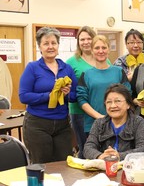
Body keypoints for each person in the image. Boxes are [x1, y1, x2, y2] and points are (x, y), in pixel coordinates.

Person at [19, 27, 77, 164]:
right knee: (42, 166)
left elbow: (75, 96)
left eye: (53, 43)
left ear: (58, 45)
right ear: (39, 46)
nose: (50, 46)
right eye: (46, 43)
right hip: (37, 125)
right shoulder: (32, 68)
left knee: (64, 164)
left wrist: (67, 94)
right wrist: (50, 96)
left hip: (63, 125)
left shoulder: (66, 68)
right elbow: (24, 96)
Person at [77, 35, 131, 135]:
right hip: (93, 125)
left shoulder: (119, 72)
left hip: (119, 125)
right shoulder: (86, 74)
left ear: (108, 49)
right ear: (92, 51)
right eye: (97, 48)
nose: (100, 51)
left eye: (104, 47)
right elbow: (81, 100)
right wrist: (100, 117)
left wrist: (114, 117)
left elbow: (127, 95)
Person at [83, 84, 144, 160]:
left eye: (117, 101)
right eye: (109, 102)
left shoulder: (137, 122)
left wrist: (119, 156)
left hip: (129, 167)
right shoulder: (99, 123)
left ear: (128, 104)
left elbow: (143, 148)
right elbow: (88, 147)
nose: (113, 106)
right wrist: (100, 156)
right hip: (104, 167)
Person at [66, 26, 99, 159]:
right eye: (82, 39)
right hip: (79, 113)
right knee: (85, 148)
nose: (85, 42)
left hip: (99, 110)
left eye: (89, 38)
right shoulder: (71, 62)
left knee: (98, 148)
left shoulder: (102, 58)